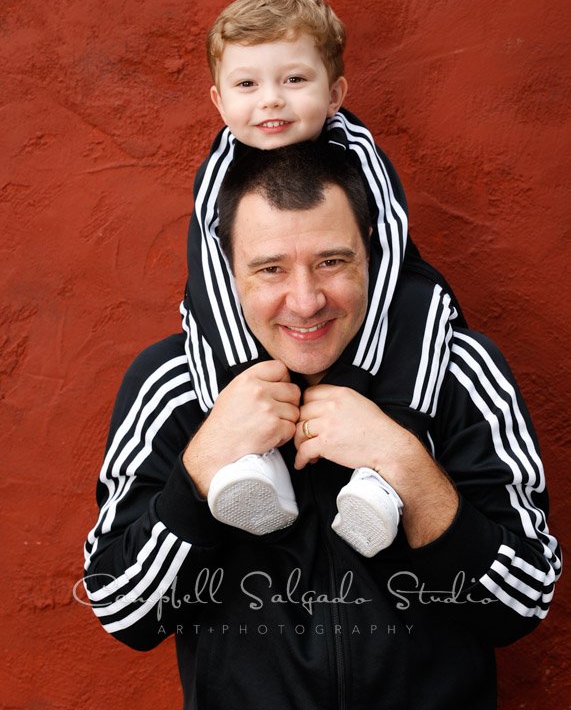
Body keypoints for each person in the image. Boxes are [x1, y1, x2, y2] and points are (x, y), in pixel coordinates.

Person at [84, 143, 560, 710]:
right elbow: (123, 611)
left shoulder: (456, 370)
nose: (306, 302)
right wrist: (199, 472)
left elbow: (521, 604)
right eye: (270, 270)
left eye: (332, 262)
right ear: (228, 272)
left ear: (373, 257)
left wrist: (404, 462)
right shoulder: (172, 384)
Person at [181, 0, 461, 557]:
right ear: (218, 101)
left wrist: (353, 380)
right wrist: (248, 379)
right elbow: (211, 269)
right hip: (254, 362)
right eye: (247, 84)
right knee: (198, 313)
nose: (271, 101)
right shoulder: (218, 172)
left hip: (376, 329)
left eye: (293, 80)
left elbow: (380, 260)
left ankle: (383, 478)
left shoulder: (357, 154)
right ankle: (251, 463)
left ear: (334, 92)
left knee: (428, 303)